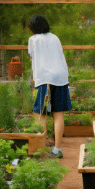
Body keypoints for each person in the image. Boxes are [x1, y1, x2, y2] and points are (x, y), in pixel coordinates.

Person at [27, 14, 72, 158]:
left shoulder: (33, 39)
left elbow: (32, 56)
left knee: (40, 113)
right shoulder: (55, 37)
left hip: (44, 78)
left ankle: (41, 147)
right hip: (60, 77)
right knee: (58, 113)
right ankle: (57, 149)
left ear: (33, 27)